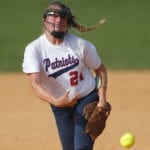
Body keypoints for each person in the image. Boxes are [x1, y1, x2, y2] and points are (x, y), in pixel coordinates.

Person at [22, 1, 108, 150]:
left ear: (68, 22)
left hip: (87, 99)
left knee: (81, 147)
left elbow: (100, 71)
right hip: (60, 106)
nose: (59, 20)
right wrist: (56, 101)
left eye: (63, 17)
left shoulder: (81, 45)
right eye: (54, 16)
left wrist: (102, 99)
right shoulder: (34, 49)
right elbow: (34, 84)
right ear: (44, 20)